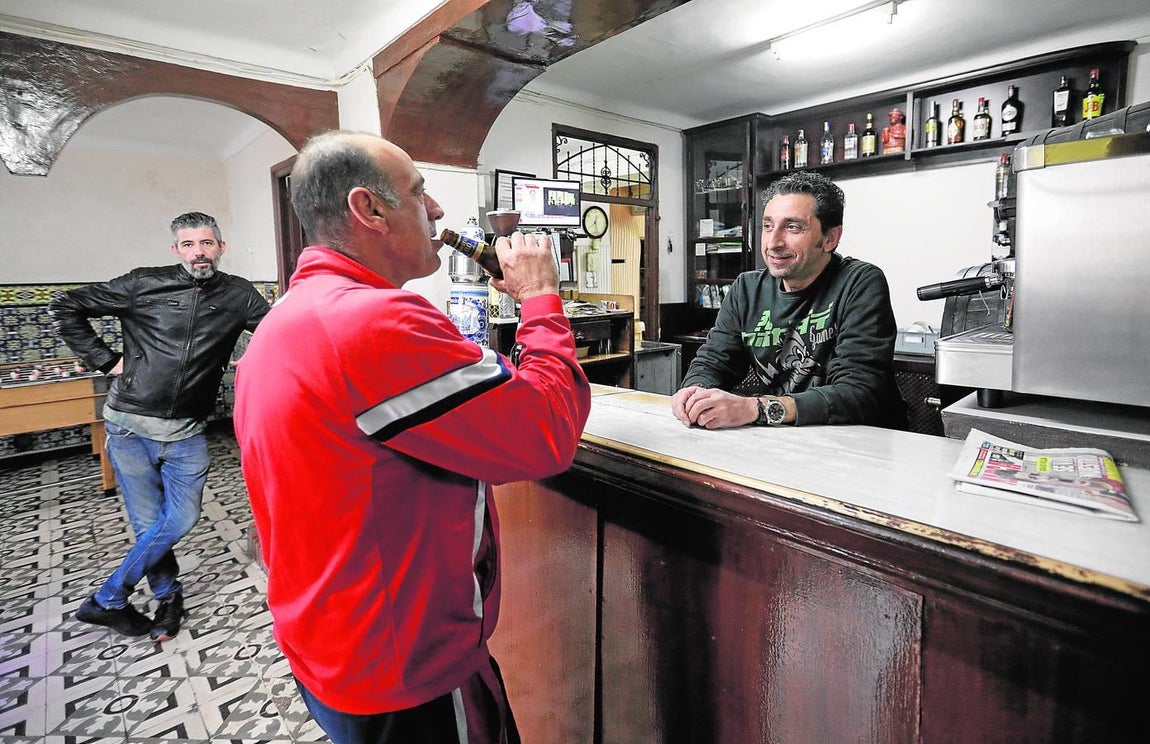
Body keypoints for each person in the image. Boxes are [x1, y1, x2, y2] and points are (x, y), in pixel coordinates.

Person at [232, 130, 591, 744]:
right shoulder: (373, 321)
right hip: (403, 661)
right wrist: (540, 299)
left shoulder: (290, 316)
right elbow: (546, 434)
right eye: (419, 192)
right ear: (368, 209)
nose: (438, 211)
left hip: (330, 640)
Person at [49, 211, 270, 640]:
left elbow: (277, 328)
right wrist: (105, 359)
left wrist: (257, 354)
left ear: (221, 247)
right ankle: (169, 599)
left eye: (206, 243)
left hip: (186, 430)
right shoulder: (142, 283)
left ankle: (108, 599)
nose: (198, 252)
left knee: (180, 519)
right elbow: (66, 305)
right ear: (175, 250)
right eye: (188, 245)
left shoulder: (239, 295)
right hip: (128, 427)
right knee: (150, 524)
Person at [672, 171, 907, 430]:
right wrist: (695, 393)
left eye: (793, 227)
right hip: (788, 442)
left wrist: (755, 408)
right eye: (768, 226)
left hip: (863, 445)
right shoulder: (746, 288)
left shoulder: (859, 282)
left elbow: (858, 393)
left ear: (830, 238)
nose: (773, 242)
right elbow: (714, 360)